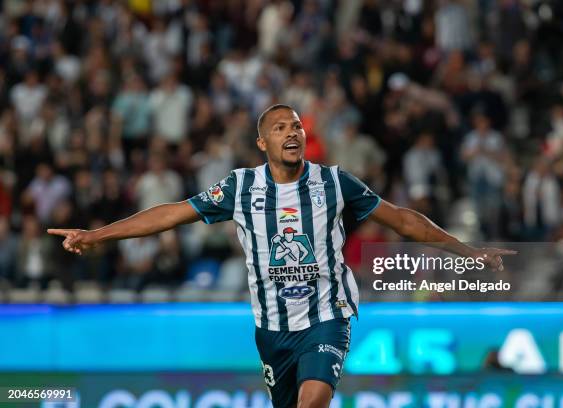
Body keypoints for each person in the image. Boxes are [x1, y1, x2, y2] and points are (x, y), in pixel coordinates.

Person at [48, 104, 515, 408]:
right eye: (279, 127)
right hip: (271, 330)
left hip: (326, 319)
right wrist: (98, 235)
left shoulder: (334, 183)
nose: (291, 132)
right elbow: (172, 213)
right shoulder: (239, 187)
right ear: (262, 143)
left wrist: (466, 251)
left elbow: (402, 220)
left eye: (295, 125)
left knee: (313, 402)